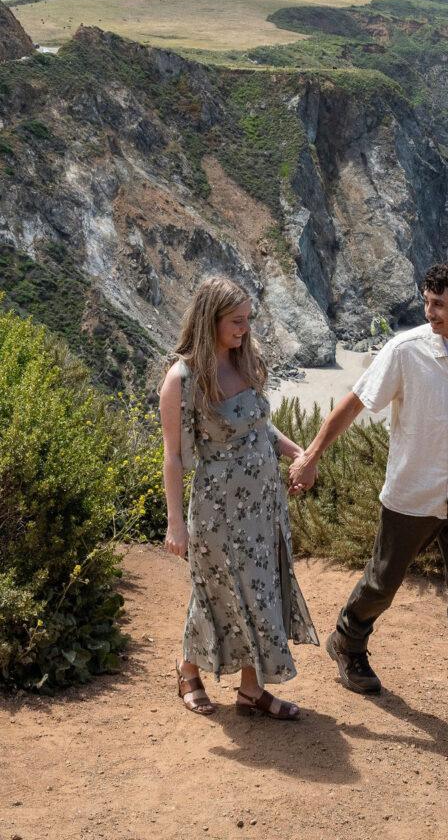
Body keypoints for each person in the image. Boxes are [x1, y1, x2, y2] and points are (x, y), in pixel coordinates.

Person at [289, 261, 448, 736]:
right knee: (382, 584)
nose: (429, 312)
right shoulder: (405, 349)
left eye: (439, 304)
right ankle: (349, 641)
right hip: (410, 495)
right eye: (427, 301)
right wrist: (312, 455)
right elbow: (355, 401)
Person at [160, 276, 318, 719]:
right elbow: (172, 456)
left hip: (264, 504)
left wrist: (298, 453)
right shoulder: (183, 377)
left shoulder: (245, 362)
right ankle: (188, 671)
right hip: (218, 510)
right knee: (218, 591)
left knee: (261, 591)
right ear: (210, 319)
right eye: (237, 320)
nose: (245, 329)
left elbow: (259, 425)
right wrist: (176, 523)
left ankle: (252, 690)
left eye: (248, 319)